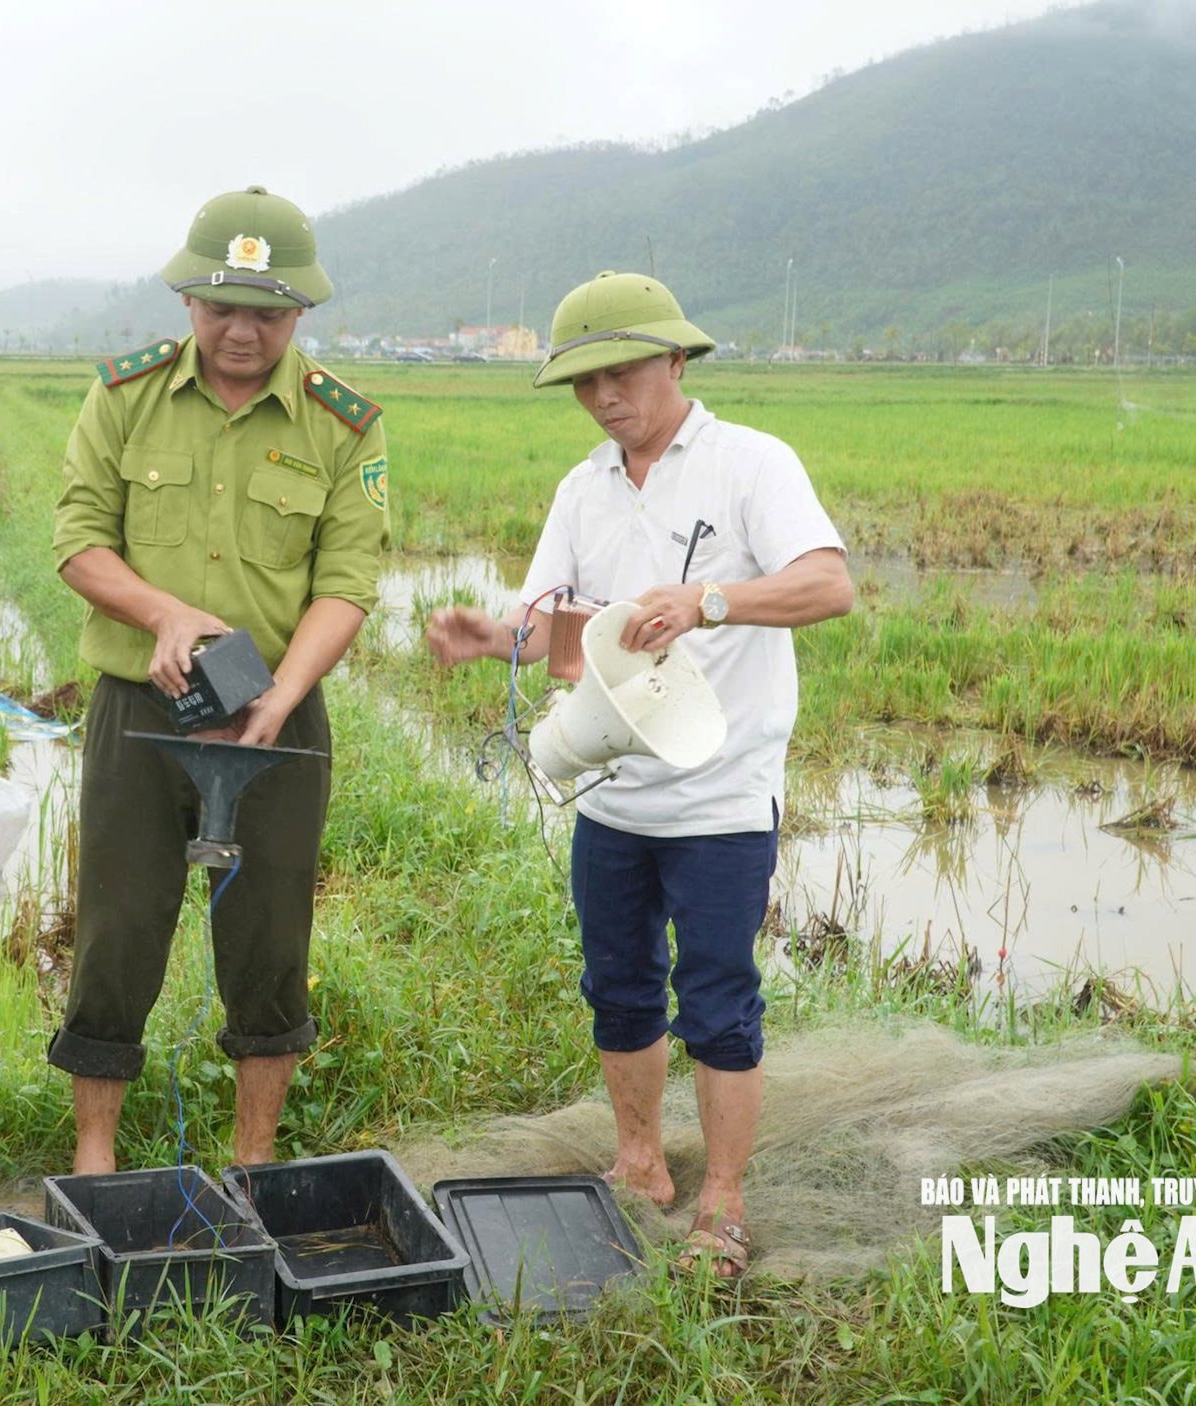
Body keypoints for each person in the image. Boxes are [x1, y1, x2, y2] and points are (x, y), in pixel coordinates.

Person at [424, 271, 852, 1278]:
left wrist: (708, 601)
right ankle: (639, 1162)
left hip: (720, 797)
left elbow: (828, 583)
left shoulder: (751, 463)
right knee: (618, 989)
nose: (606, 397)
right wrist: (493, 634)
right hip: (614, 793)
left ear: (673, 359)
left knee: (717, 1000)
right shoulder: (586, 486)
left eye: (621, 372)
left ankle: (725, 1201)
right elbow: (556, 623)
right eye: (585, 383)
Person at [48, 186, 391, 1174]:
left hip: (275, 712)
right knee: (117, 926)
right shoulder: (123, 396)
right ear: (186, 303)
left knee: (269, 931)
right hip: (137, 711)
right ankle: (95, 1158)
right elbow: (76, 541)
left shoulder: (342, 423)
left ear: (301, 315)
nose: (242, 331)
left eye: (268, 313)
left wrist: (281, 694)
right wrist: (162, 614)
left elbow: (347, 581)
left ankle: (252, 1162)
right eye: (220, 308)